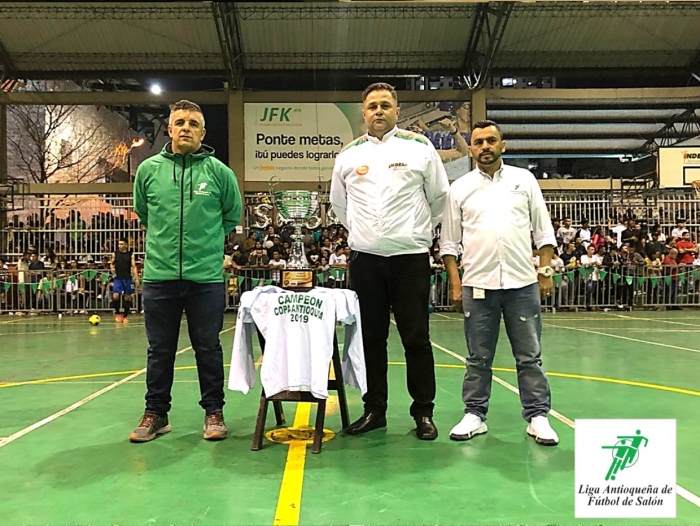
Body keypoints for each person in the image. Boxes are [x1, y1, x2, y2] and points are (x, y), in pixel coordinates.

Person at [330, 82, 449, 440]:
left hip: (410, 259)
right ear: (362, 113)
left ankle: (423, 413)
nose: (378, 111)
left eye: (385, 105)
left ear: (397, 111)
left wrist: (413, 232)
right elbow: (340, 206)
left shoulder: (420, 147)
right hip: (366, 261)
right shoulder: (348, 155)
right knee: (370, 340)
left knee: (417, 338)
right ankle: (374, 410)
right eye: (372, 106)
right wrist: (367, 235)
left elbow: (439, 197)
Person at [440, 120, 560, 446]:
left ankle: (538, 417)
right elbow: (449, 243)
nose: (485, 147)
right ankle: (474, 415)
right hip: (478, 285)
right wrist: (455, 283)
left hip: (523, 284)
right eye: (478, 142)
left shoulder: (525, 180)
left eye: (491, 140)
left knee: (529, 356)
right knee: (477, 357)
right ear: (471, 147)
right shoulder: (460, 188)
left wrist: (545, 271)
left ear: (502, 145)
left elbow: (544, 231)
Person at [130, 100, 242, 443]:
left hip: (205, 278)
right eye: (180, 122)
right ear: (169, 128)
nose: (186, 128)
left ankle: (213, 412)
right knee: (159, 350)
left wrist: (205, 247)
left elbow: (231, 216)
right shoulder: (148, 170)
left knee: (208, 347)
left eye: (193, 123)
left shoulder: (219, 173)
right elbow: (144, 213)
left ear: (203, 132)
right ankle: (156, 413)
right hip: (159, 277)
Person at [110, 238, 138, 323]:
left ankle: (125, 316)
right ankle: (118, 313)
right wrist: (112, 269)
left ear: (126, 245)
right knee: (115, 295)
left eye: (122, 244)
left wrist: (136, 278)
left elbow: (134, 267)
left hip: (127, 278)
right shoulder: (115, 254)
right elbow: (111, 263)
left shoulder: (131, 254)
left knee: (127, 297)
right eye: (119, 244)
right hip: (118, 278)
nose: (119, 246)